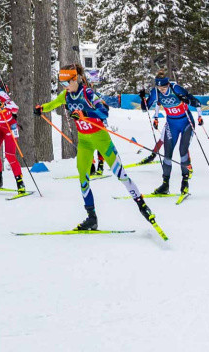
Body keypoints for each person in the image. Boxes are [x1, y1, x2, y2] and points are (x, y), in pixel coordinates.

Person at [35, 64, 157, 233]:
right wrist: (42, 108)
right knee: (83, 177)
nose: (65, 87)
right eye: (62, 84)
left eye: (67, 83)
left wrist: (85, 114)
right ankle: (91, 218)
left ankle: (143, 207)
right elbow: (53, 103)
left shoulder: (88, 93)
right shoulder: (66, 95)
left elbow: (104, 112)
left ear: (75, 78)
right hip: (84, 141)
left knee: (120, 174)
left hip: (101, 139)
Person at [146, 71, 203, 197]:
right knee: (167, 154)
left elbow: (195, 101)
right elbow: (145, 107)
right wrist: (142, 99)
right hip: (171, 124)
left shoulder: (176, 88)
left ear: (168, 85)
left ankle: (185, 182)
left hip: (186, 122)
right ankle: (165, 184)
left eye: (164, 88)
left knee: (183, 151)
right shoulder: (155, 92)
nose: (162, 90)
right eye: (159, 88)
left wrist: (187, 101)